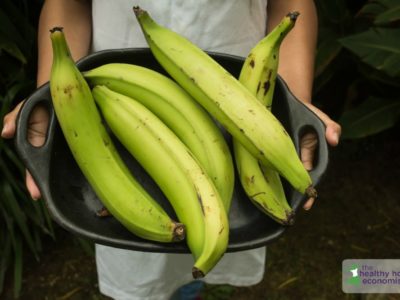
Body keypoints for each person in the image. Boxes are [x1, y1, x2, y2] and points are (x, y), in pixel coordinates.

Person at [1, 0, 341, 299]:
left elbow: (291, 4)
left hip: (239, 100)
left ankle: (191, 287)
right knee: (144, 260)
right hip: (115, 105)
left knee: (216, 231)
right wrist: (57, 91)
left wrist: (294, 106)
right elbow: (68, 5)